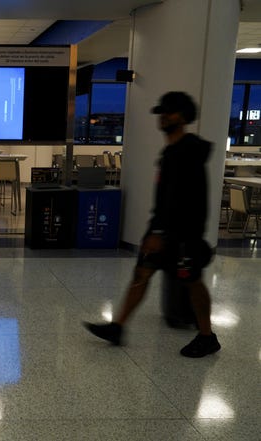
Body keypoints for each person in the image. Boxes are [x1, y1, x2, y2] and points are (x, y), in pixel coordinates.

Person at [84, 91, 221, 358]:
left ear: (181, 116)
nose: (162, 117)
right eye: (161, 112)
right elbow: (167, 197)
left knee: (193, 283)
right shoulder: (171, 151)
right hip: (163, 230)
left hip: (182, 234)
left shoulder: (187, 152)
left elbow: (185, 198)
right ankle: (118, 327)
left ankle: (207, 336)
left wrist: (162, 232)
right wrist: (156, 228)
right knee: (141, 275)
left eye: (168, 112)